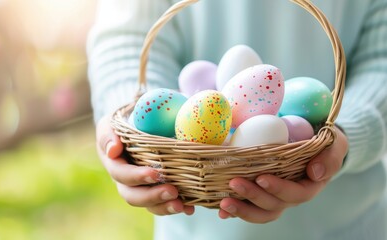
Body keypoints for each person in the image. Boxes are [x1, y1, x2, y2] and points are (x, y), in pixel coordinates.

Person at [87, 0, 387, 239]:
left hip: (345, 222)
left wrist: (346, 130)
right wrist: (129, 119)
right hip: (192, 222)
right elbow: (127, 36)